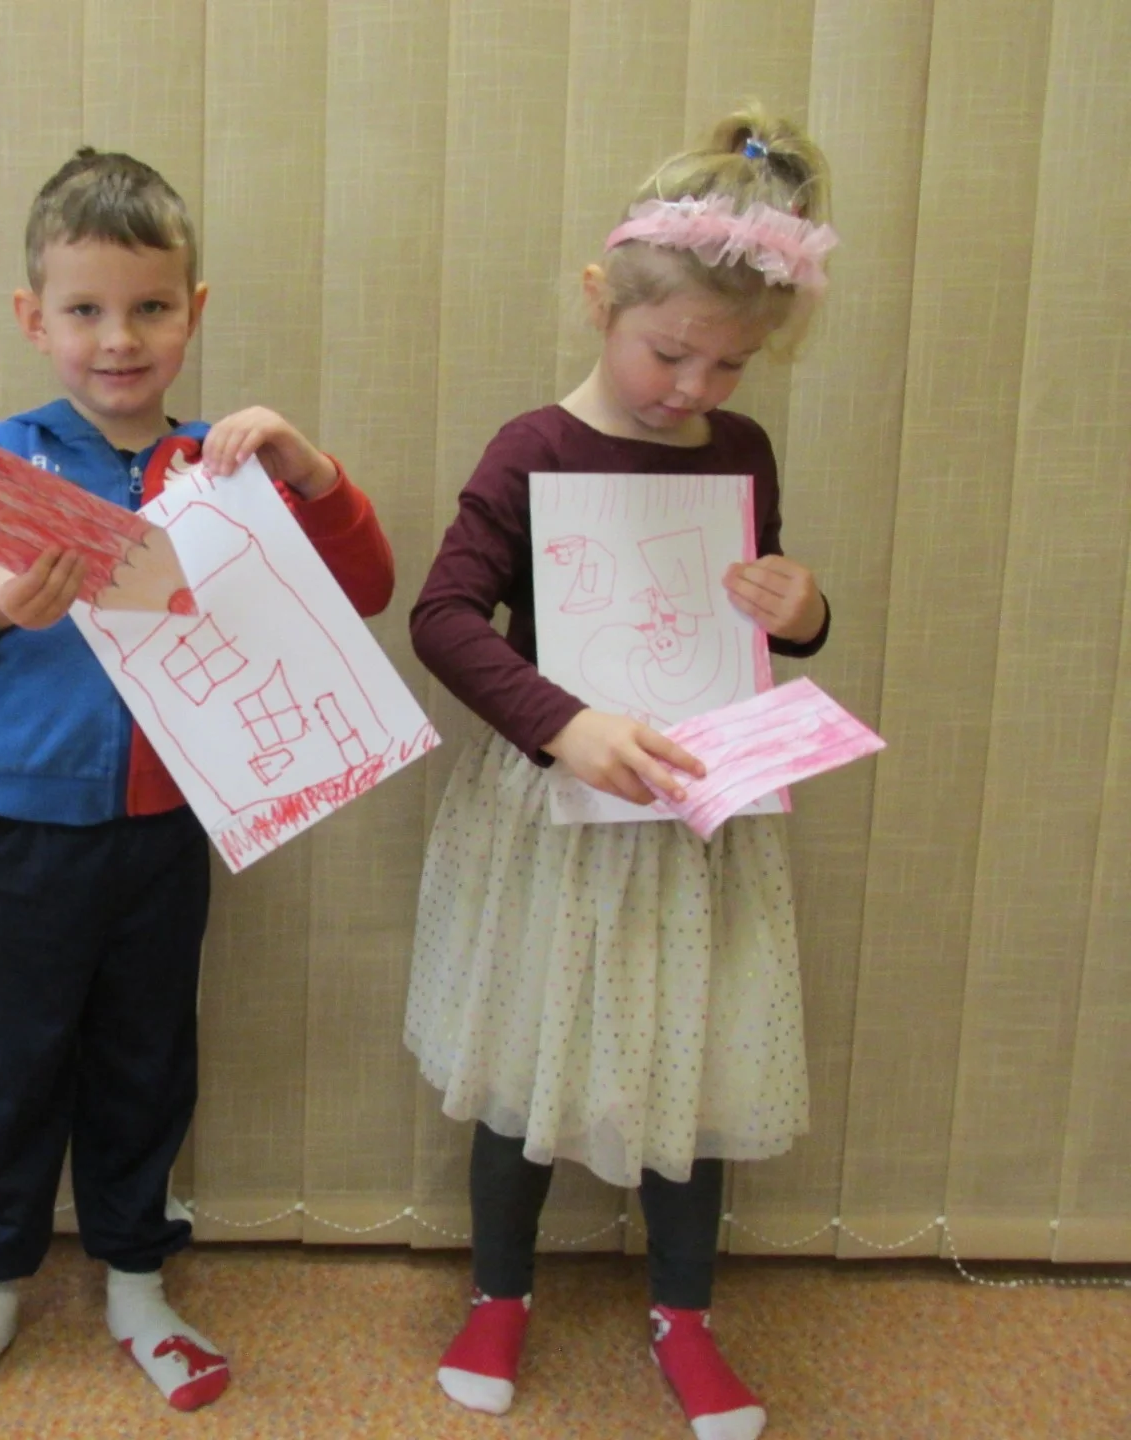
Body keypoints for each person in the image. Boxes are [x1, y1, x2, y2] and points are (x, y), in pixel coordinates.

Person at [0, 148, 394, 1424]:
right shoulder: (1, 464)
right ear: (34, 318)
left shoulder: (224, 470)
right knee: (9, 1069)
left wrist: (311, 470)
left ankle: (136, 1285)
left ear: (194, 311)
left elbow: (366, 590)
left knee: (146, 1063)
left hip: (170, 834)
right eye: (85, 309)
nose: (118, 339)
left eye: (150, 308)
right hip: (25, 834)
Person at [404, 108, 838, 1440]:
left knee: (690, 1065)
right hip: (558, 813)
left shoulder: (740, 453)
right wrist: (563, 724)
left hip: (697, 819)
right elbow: (444, 618)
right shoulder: (534, 449)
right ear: (601, 300)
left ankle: (686, 1313)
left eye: (730, 363)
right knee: (528, 1057)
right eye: (668, 352)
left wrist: (804, 610)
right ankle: (499, 1293)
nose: (694, 388)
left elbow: (744, 618)